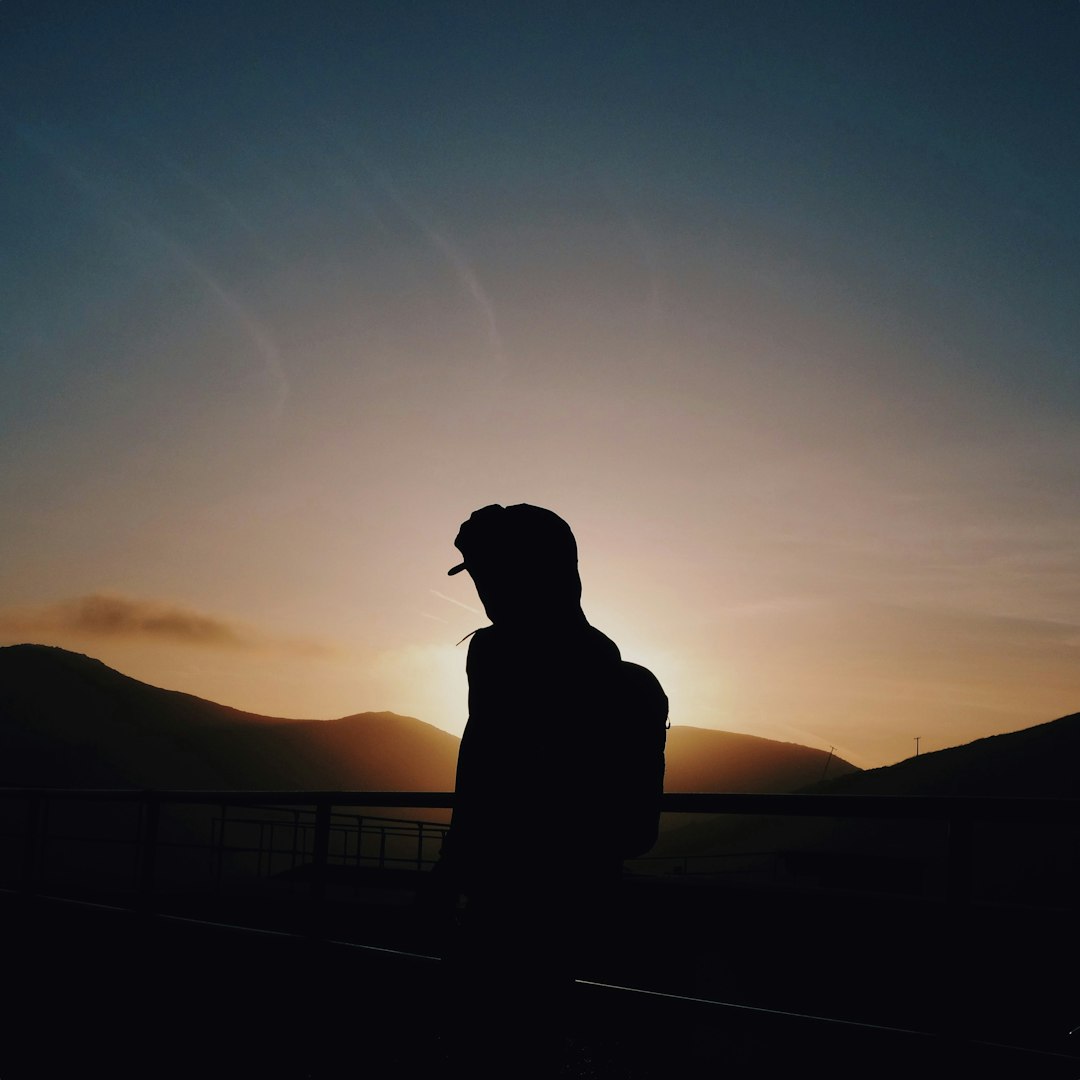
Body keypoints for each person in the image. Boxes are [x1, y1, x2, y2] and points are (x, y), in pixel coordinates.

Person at [432, 503, 667, 1073]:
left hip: (520, 917)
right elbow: (634, 832)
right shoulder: (631, 686)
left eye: (491, 575)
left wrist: (452, 876)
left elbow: (479, 782)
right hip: (571, 911)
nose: (483, 594)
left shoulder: (495, 658)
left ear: (534, 574)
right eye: (479, 576)